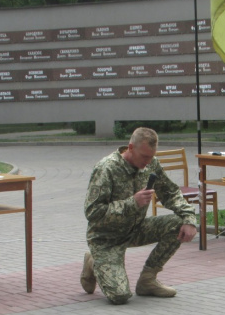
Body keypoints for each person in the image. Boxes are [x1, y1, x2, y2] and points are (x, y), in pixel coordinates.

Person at [82, 127, 197, 305]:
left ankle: (147, 280)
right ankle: (92, 262)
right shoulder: (107, 168)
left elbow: (171, 193)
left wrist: (189, 219)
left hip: (135, 229)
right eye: (144, 157)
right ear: (130, 147)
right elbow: (93, 213)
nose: (148, 162)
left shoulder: (151, 164)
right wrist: (132, 202)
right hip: (106, 237)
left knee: (179, 222)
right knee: (120, 296)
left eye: (151, 156)